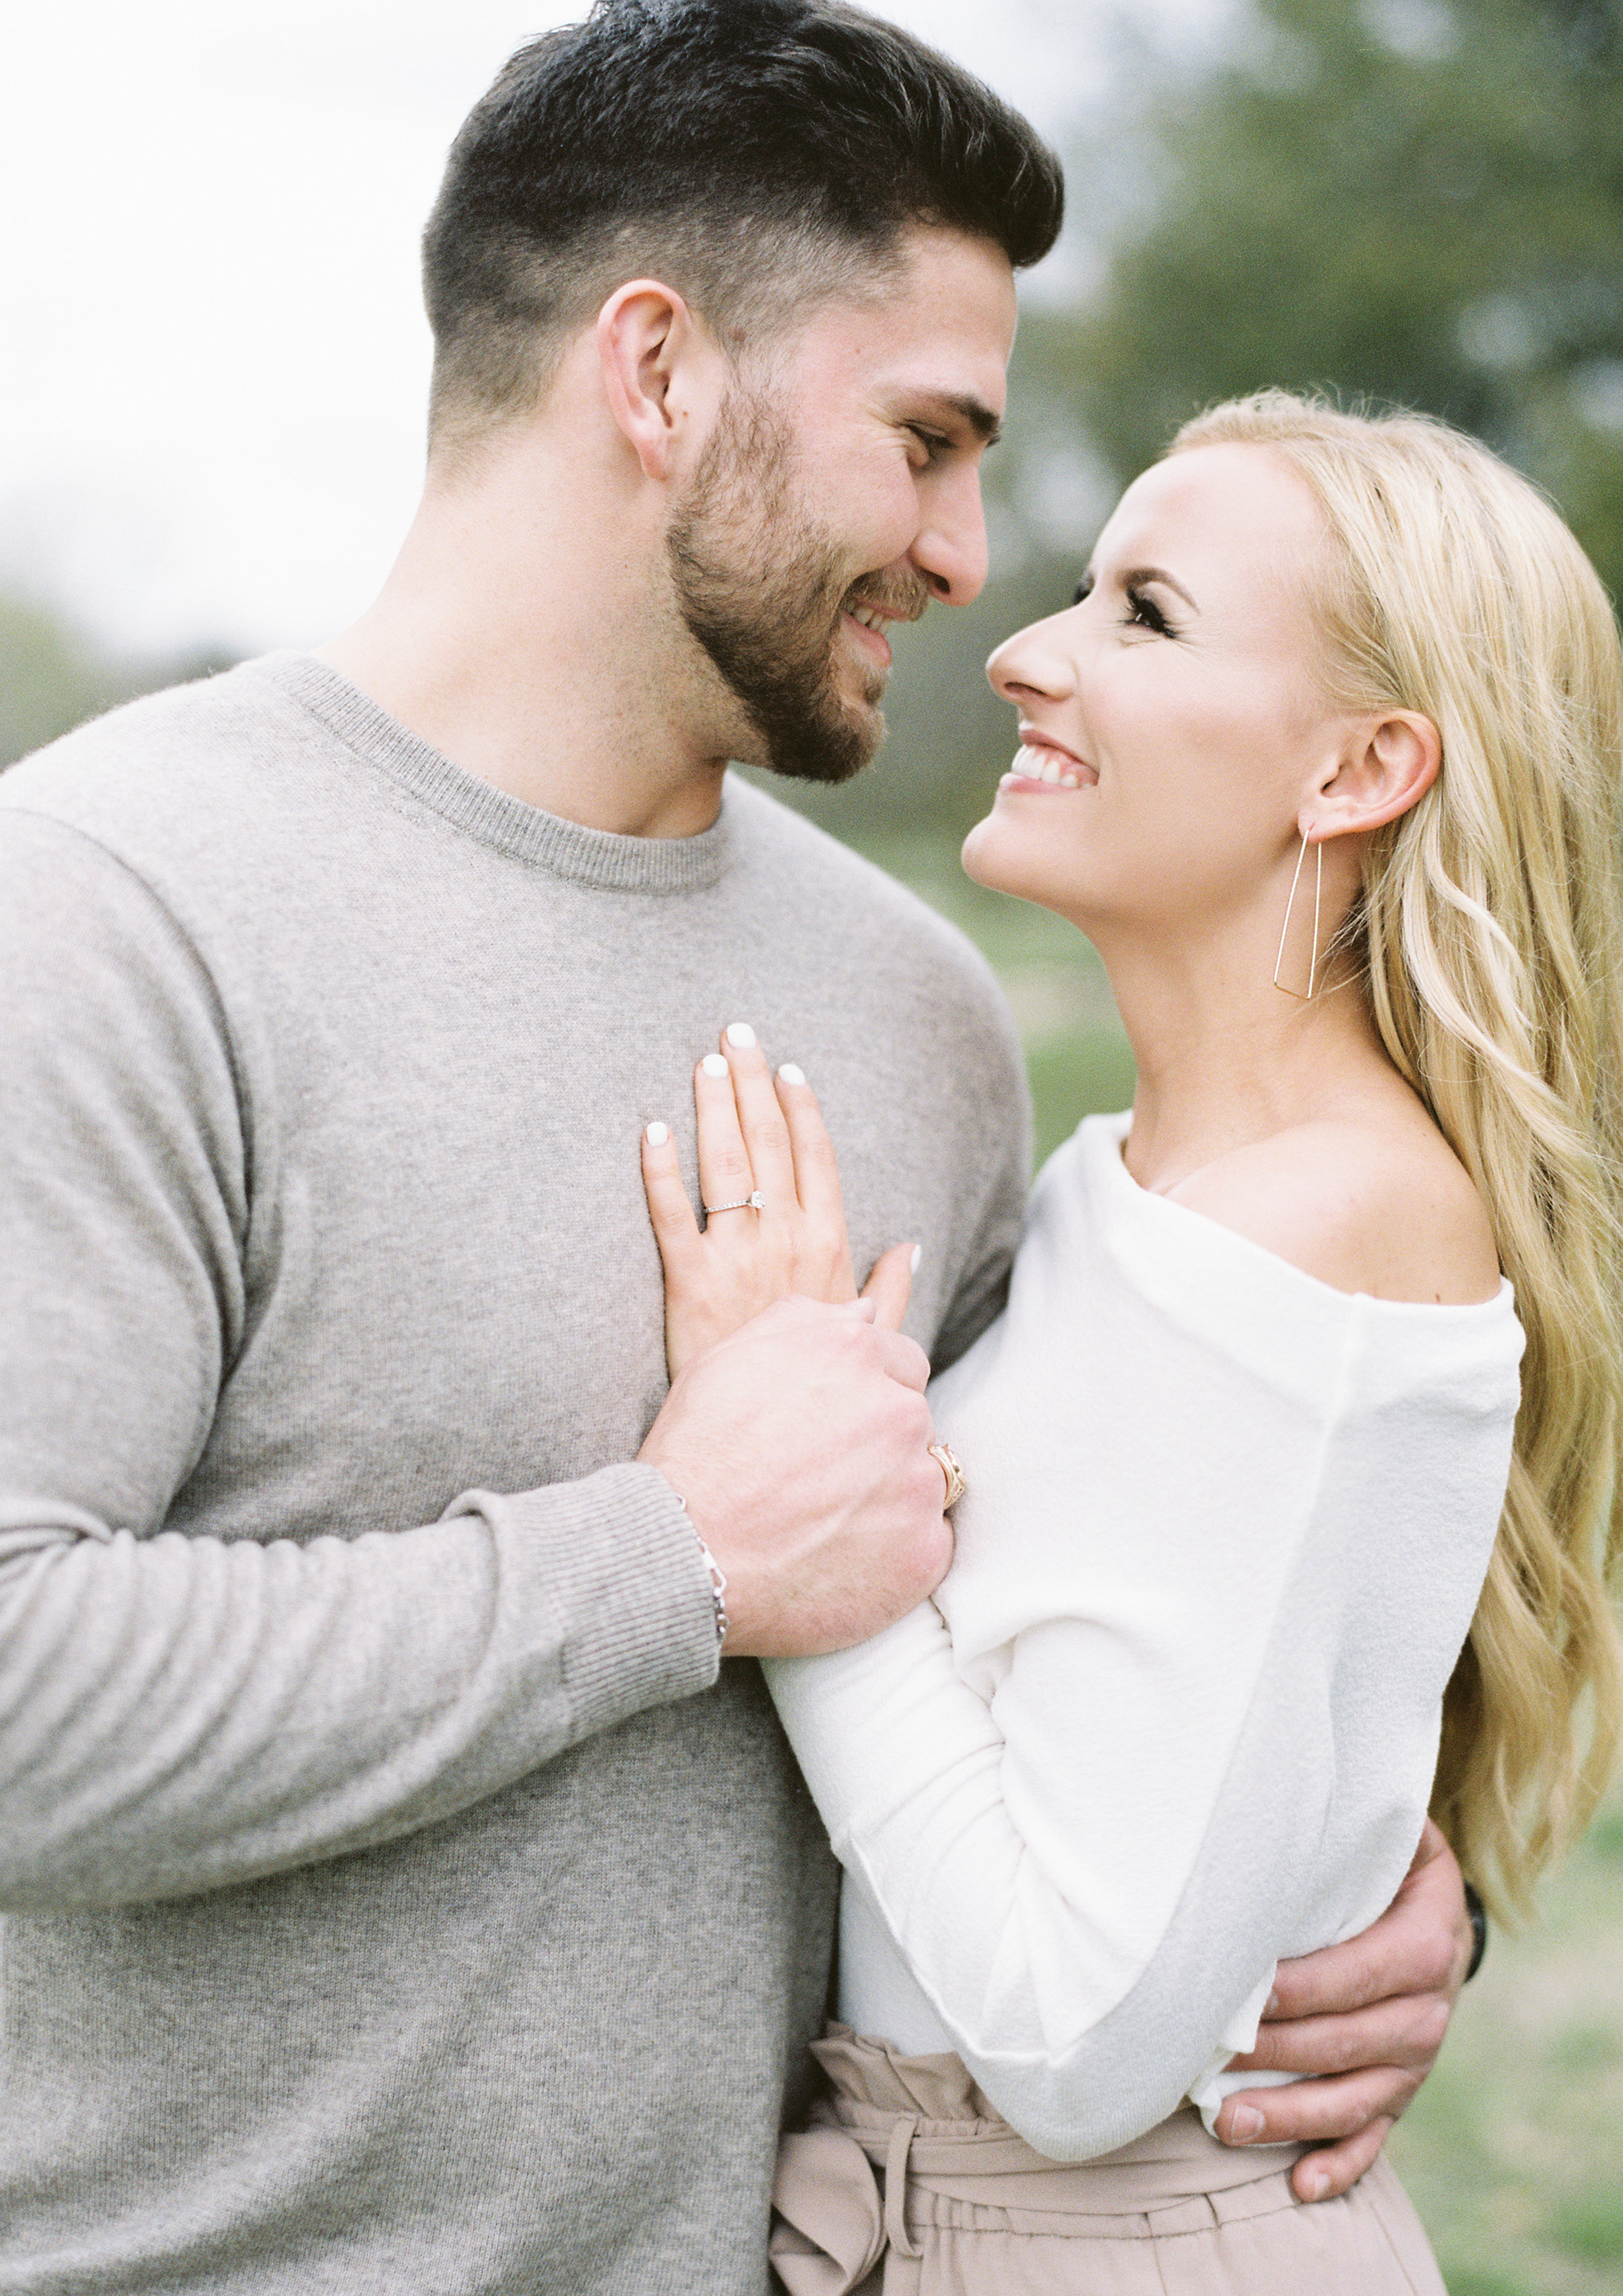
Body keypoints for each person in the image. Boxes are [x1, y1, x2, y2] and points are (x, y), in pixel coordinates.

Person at [0, 9, 1470, 2290]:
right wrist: (668, 1557)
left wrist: (1368, 1876)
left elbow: (1050, 1645)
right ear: (659, 374)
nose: (973, 560)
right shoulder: (106, 909)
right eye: (926, 442)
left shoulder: (918, 1010)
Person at [640, 393, 1623, 2290]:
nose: (1028, 648)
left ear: (1359, 767)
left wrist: (799, 1544)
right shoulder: (1136, 1187)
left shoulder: (1310, 1238)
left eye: (1146, 614)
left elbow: (1068, 2039)